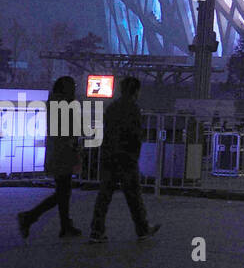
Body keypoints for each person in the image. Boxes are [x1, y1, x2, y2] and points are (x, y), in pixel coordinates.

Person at [88, 77, 160, 242]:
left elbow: (105, 130)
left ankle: (96, 231)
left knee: (104, 195)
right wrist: (134, 155)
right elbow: (135, 135)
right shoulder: (133, 109)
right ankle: (142, 229)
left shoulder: (112, 107)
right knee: (133, 195)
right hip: (126, 158)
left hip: (109, 156)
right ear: (136, 91)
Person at [18, 76, 82, 239]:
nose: (74, 88)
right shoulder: (62, 105)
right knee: (62, 192)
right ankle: (30, 217)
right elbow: (66, 131)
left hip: (59, 153)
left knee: (63, 191)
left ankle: (64, 225)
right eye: (72, 86)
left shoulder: (56, 103)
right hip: (62, 154)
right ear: (65, 88)